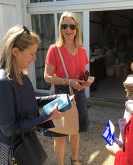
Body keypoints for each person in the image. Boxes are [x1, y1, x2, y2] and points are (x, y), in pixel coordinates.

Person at [0, 25, 64, 165]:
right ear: (15, 51)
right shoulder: (1, 84)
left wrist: (56, 98)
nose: (35, 59)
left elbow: (27, 101)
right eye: (32, 53)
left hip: (23, 142)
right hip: (9, 150)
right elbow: (10, 129)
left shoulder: (21, 75)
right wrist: (46, 117)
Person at [44, 11, 92, 165]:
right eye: (64, 26)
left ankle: (74, 160)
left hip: (78, 94)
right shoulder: (54, 49)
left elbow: (82, 74)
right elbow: (47, 77)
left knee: (75, 130)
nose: (68, 30)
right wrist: (68, 81)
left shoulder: (82, 50)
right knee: (60, 134)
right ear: (60, 28)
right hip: (60, 95)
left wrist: (86, 81)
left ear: (77, 29)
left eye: (72, 26)